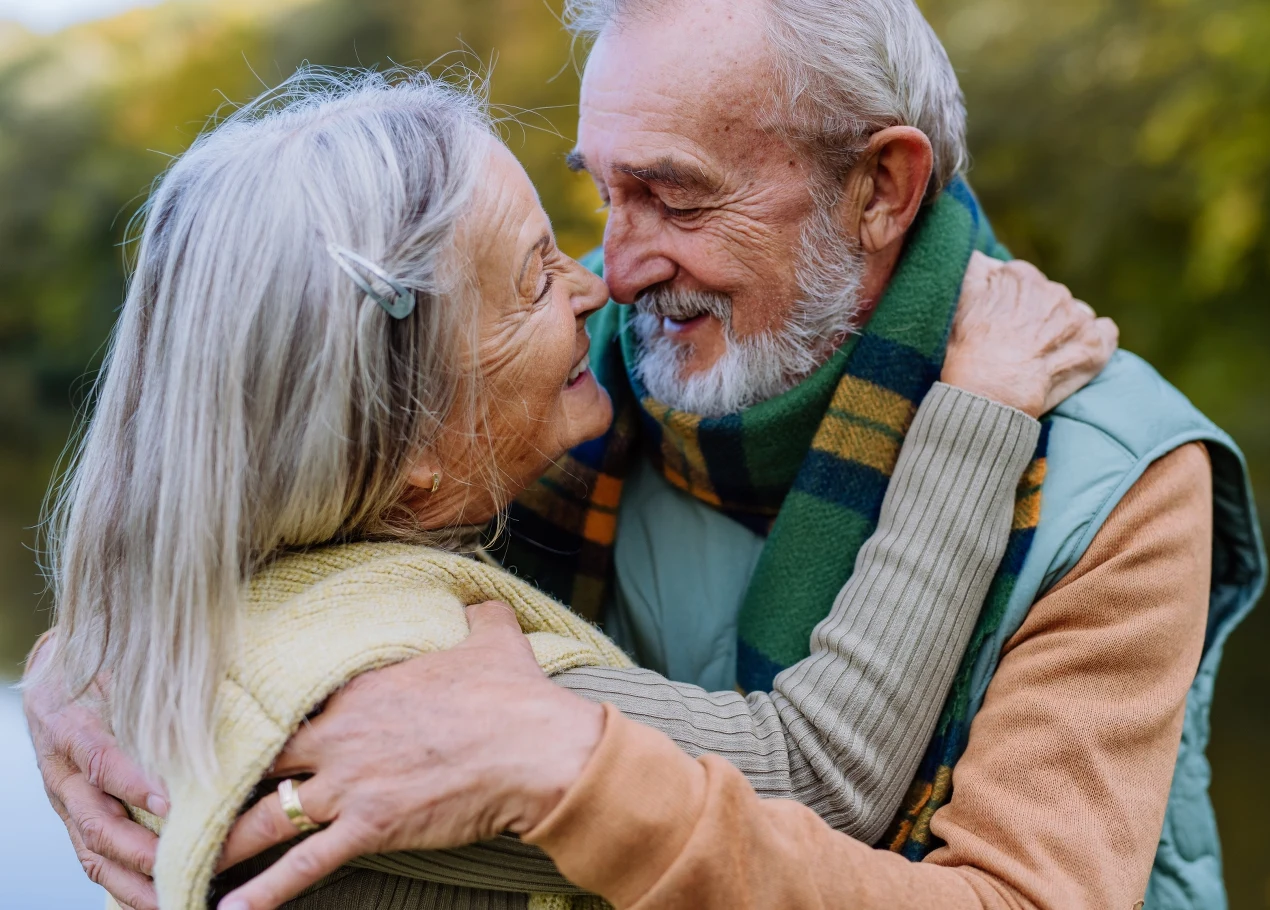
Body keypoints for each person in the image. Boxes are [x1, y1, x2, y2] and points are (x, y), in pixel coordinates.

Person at [185, 1, 1267, 908]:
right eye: (602, 191)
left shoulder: (1114, 474)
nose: (613, 268)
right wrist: (105, 669)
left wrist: (572, 770)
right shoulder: (521, 412)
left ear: (881, 189)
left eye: (676, 194)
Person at [21, 68, 1114, 910]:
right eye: (535, 279)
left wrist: (80, 649)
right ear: (410, 453)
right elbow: (820, 770)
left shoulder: (207, 612)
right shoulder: (413, 683)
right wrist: (977, 412)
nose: (599, 283)